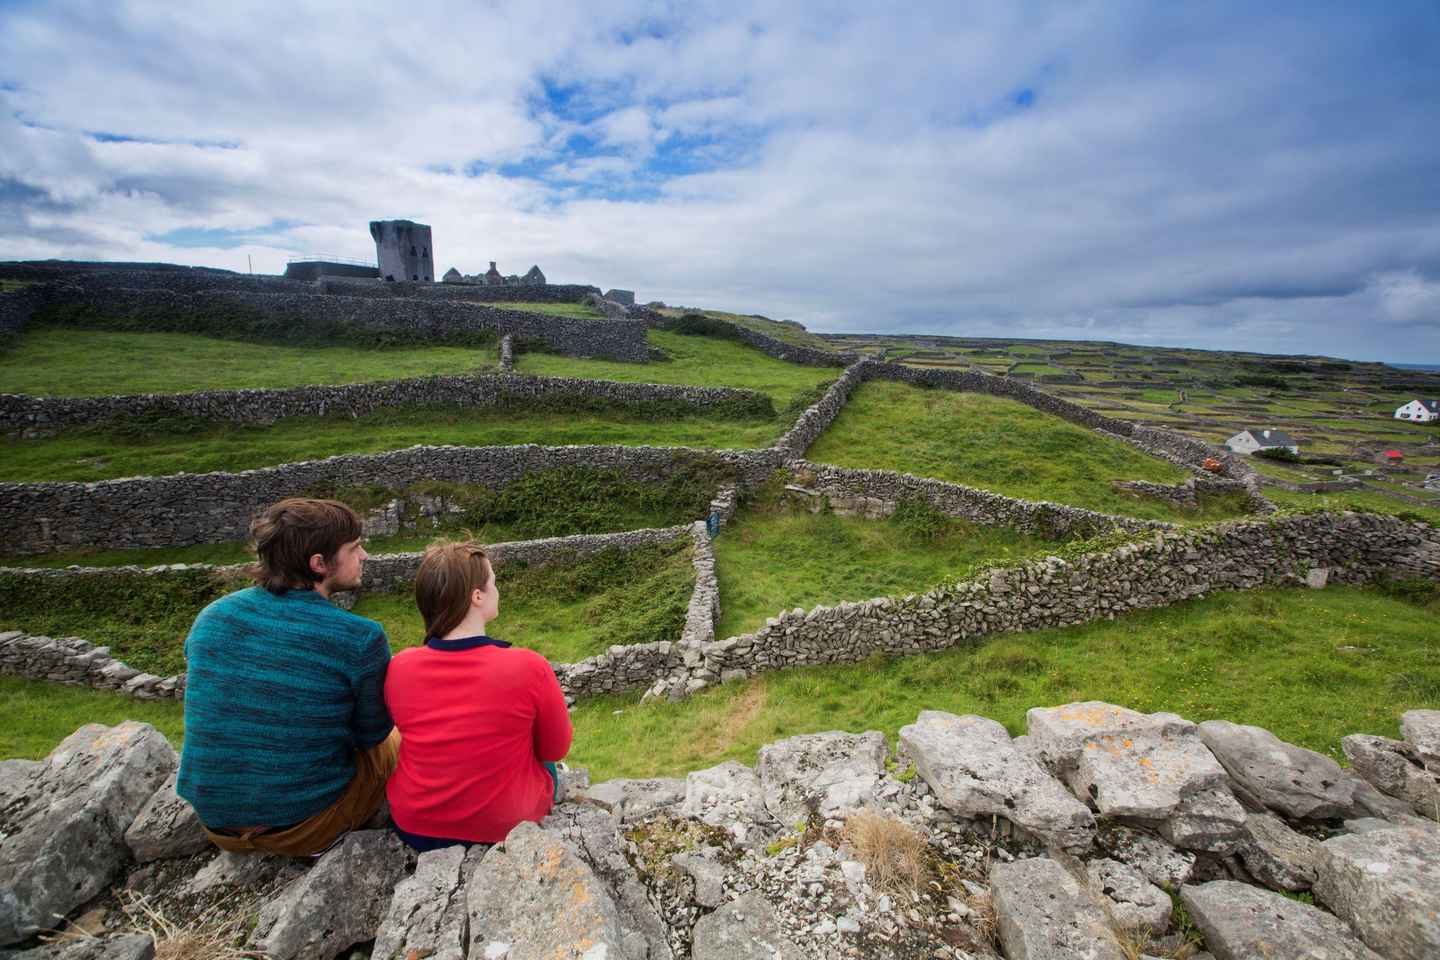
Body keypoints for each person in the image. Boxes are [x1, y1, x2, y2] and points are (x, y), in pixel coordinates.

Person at [176, 497, 398, 856]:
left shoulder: (212, 617)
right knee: (396, 743)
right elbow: (371, 733)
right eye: (355, 548)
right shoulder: (358, 637)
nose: (365, 556)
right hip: (303, 827)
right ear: (319, 564)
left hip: (216, 824)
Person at [384, 540, 572, 850]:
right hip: (506, 827)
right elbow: (555, 747)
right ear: (477, 595)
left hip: (417, 825)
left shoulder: (399, 667)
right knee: (545, 765)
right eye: (494, 582)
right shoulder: (528, 666)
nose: (497, 590)